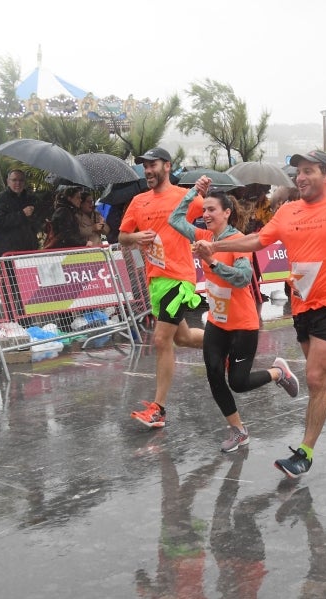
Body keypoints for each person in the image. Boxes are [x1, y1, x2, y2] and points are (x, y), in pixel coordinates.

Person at [195, 148, 326, 478]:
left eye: (309, 171)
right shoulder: (288, 211)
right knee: (324, 372)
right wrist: (216, 247)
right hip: (302, 305)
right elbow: (256, 242)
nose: (301, 177)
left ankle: (304, 453)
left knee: (314, 377)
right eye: (299, 172)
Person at [169, 179, 300, 452]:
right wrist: (195, 192)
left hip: (243, 325)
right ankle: (238, 430)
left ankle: (278, 372)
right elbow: (175, 218)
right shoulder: (203, 238)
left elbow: (242, 278)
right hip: (217, 323)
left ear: (227, 212)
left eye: (211, 210)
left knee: (238, 383)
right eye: (203, 210)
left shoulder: (238, 242)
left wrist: (213, 261)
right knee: (214, 376)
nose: (205, 215)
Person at [118, 148, 206, 429]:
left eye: (153, 165)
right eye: (144, 166)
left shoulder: (183, 196)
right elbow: (121, 237)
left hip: (179, 277)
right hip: (155, 280)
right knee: (183, 339)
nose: (148, 171)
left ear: (167, 166)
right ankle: (224, 342)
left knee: (160, 340)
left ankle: (159, 409)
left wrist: (201, 190)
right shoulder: (138, 201)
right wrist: (135, 237)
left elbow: (211, 212)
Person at [0, 169, 39, 255]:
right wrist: (22, 214)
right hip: (9, 249)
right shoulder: (1, 198)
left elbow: (37, 220)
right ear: (8, 182)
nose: (18, 183)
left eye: (21, 180)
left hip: (29, 248)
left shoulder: (30, 197)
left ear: (24, 182)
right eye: (14, 180)